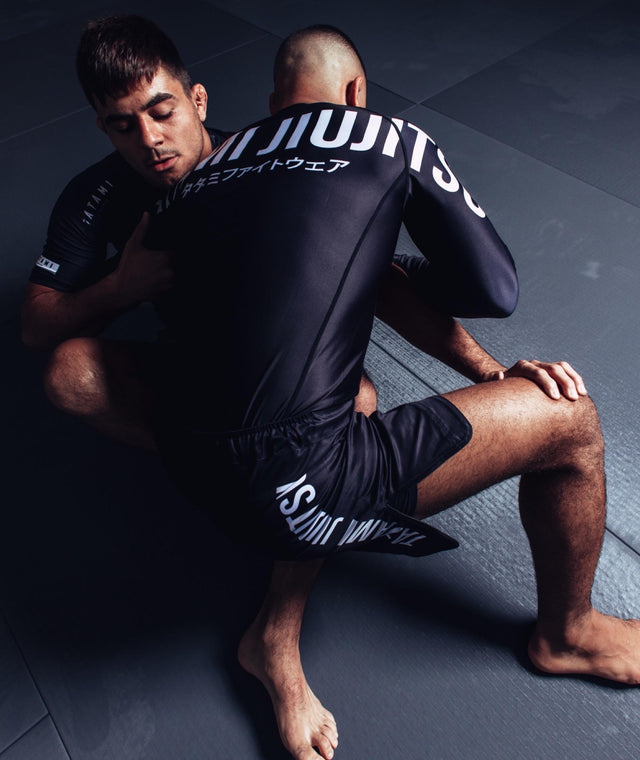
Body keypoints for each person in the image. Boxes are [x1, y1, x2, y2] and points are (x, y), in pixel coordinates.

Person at [20, 15, 522, 759]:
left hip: (289, 380)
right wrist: (122, 286)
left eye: (162, 111)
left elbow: (382, 277)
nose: (150, 139)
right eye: (124, 125)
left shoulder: (272, 159)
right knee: (67, 374)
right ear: (104, 129)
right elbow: (38, 324)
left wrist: (486, 371)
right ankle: (221, 472)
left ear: (197, 99)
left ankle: (276, 638)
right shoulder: (98, 193)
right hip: (195, 373)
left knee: (357, 401)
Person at [143, 23, 640, 760]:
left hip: (184, 466)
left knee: (341, 392)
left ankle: (273, 625)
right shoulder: (384, 136)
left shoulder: (201, 173)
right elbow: (493, 288)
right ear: (356, 94)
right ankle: (568, 635)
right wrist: (384, 243)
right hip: (299, 489)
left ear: (274, 104)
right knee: (573, 421)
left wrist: (360, 254)